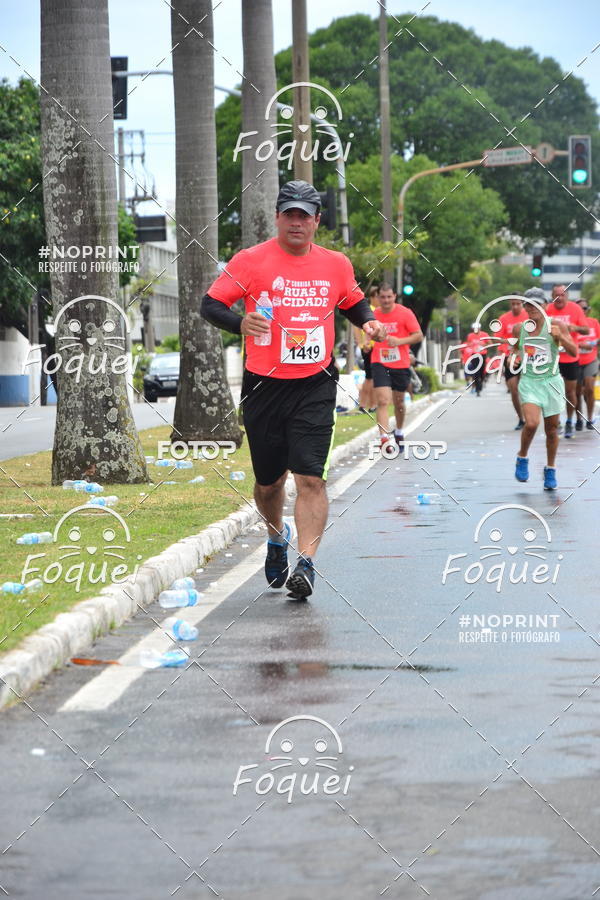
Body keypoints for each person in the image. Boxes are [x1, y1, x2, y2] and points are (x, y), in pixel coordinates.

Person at [200, 180, 387, 601]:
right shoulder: (251, 261)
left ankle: (306, 563)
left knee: (310, 478)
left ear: (317, 221)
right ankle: (275, 537)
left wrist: (369, 321)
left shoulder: (336, 264)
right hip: (264, 386)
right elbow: (210, 304)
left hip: (315, 384)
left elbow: (352, 301)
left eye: (305, 215)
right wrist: (239, 323)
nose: (297, 222)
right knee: (269, 484)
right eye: (290, 214)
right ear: (278, 218)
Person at [514, 289, 578, 490]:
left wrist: (561, 338)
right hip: (529, 381)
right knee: (532, 424)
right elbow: (515, 348)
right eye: (529, 304)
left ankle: (550, 469)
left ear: (545, 306)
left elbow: (574, 352)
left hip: (551, 382)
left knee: (551, 430)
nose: (533, 308)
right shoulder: (519, 328)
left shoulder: (557, 325)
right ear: (525, 307)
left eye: (537, 304)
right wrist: (513, 357)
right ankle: (522, 457)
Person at [371, 283, 423, 449]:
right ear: (378, 298)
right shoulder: (374, 315)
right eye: (382, 297)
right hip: (379, 361)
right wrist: (368, 341)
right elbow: (368, 335)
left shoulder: (405, 313)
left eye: (389, 297)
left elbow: (418, 335)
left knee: (399, 402)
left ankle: (399, 431)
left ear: (394, 296)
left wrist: (400, 341)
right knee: (382, 400)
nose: (386, 300)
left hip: (400, 363)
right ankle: (384, 438)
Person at [546, 284, 589, 438]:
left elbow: (586, 330)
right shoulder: (547, 309)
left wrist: (574, 328)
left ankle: (569, 421)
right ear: (552, 296)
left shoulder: (575, 309)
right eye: (556, 295)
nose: (559, 297)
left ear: (567, 296)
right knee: (552, 391)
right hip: (551, 357)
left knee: (570, 392)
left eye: (562, 294)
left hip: (570, 356)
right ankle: (556, 422)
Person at [496, 295, 529, 429]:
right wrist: (510, 343)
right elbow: (497, 338)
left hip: (527, 356)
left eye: (518, 303)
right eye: (512, 304)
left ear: (522, 304)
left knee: (526, 388)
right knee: (514, 389)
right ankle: (521, 419)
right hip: (510, 357)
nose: (515, 306)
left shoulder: (528, 316)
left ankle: (529, 416)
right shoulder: (504, 318)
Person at [575, 298, 600, 430]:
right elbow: (565, 340)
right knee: (577, 391)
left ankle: (590, 418)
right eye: (580, 308)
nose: (582, 311)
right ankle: (579, 419)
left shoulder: (593, 322)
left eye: (584, 308)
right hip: (575, 361)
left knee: (589, 388)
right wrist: (579, 344)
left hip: (591, 360)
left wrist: (593, 343)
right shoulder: (572, 324)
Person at [353, 285, 379, 413]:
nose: (381, 299)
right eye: (378, 296)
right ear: (373, 297)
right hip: (370, 348)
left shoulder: (376, 310)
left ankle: (366, 405)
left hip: (374, 348)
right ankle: (370, 404)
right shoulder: (371, 311)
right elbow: (358, 327)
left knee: (370, 377)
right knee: (371, 377)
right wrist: (362, 344)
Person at [462, 323, 490, 396]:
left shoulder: (485, 334)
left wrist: (484, 345)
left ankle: (481, 382)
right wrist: (471, 345)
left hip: (483, 354)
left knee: (481, 371)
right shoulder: (470, 336)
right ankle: (477, 389)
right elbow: (468, 344)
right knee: (475, 371)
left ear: (480, 328)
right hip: (474, 354)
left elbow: (490, 343)